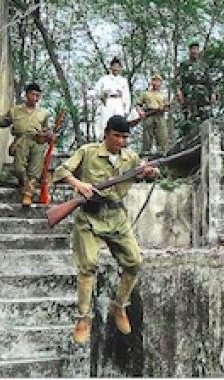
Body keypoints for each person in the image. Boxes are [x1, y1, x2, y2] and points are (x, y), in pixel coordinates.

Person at [52, 115, 159, 345]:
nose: (121, 141)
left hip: (116, 217)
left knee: (134, 261)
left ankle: (119, 305)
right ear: (106, 133)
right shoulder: (88, 152)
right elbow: (61, 171)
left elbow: (143, 171)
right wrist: (79, 185)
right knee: (88, 265)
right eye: (117, 136)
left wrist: (149, 173)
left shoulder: (130, 158)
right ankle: (82, 318)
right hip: (89, 217)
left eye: (125, 137)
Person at [0, 83, 50, 206]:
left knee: (34, 171)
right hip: (21, 141)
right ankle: (24, 184)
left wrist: (47, 134)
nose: (35, 98)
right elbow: (3, 122)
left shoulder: (44, 113)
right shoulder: (15, 111)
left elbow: (46, 129)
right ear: (26, 95)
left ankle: (28, 195)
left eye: (38, 95)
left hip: (37, 141)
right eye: (33, 94)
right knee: (18, 168)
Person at [177, 40, 214, 134]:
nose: (194, 51)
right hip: (189, 92)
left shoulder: (203, 65)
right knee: (189, 115)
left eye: (196, 49)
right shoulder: (184, 64)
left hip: (203, 93)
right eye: (192, 49)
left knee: (205, 114)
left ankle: (204, 132)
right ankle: (187, 133)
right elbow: (179, 80)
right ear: (189, 51)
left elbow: (209, 80)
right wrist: (179, 93)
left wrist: (213, 93)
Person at [94, 57, 131, 141]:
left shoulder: (123, 80)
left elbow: (127, 96)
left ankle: (120, 141)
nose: (116, 68)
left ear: (120, 68)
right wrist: (102, 95)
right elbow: (95, 91)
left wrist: (126, 109)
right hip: (108, 101)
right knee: (105, 121)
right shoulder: (104, 79)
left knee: (119, 121)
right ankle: (103, 139)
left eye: (118, 66)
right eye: (114, 66)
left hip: (119, 102)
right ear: (111, 67)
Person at [136, 74, 168, 154]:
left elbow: (167, 107)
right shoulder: (145, 93)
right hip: (148, 115)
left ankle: (162, 152)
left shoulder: (163, 95)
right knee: (147, 136)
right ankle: (146, 153)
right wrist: (140, 112)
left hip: (160, 116)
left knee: (162, 135)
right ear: (151, 82)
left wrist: (163, 108)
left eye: (158, 81)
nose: (156, 83)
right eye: (154, 80)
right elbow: (138, 104)